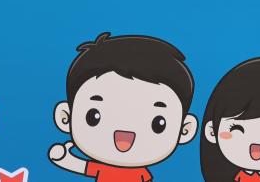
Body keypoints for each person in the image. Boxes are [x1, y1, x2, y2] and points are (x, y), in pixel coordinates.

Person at [48, 33, 198, 181]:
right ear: (65, 117)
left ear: (184, 130)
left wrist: (63, 158)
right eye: (93, 117)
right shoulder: (105, 168)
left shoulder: (140, 173)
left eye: (158, 123)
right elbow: (79, 166)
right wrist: (63, 158)